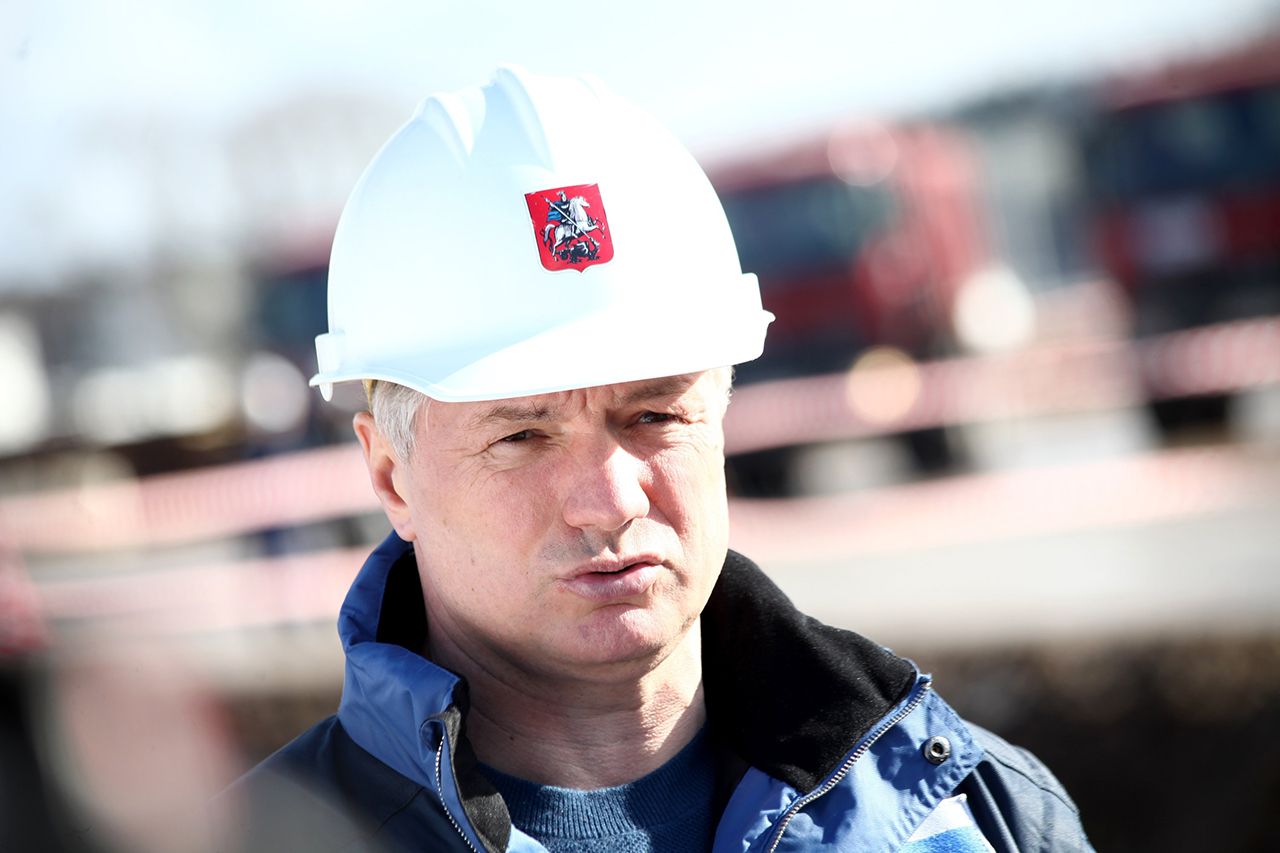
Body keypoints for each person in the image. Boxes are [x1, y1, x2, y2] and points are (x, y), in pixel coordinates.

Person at [224, 67, 1093, 852]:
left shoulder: (978, 813)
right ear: (390, 477)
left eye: (653, 415)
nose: (610, 498)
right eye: (521, 436)